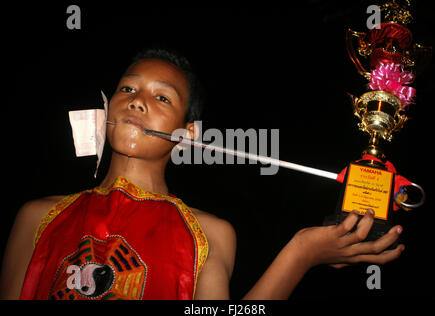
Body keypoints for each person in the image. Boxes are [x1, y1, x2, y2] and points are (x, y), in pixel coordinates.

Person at [0, 48, 404, 300]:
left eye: (162, 97)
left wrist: (301, 254)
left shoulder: (209, 232)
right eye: (127, 90)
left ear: (188, 134)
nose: (138, 102)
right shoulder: (37, 216)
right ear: (106, 110)